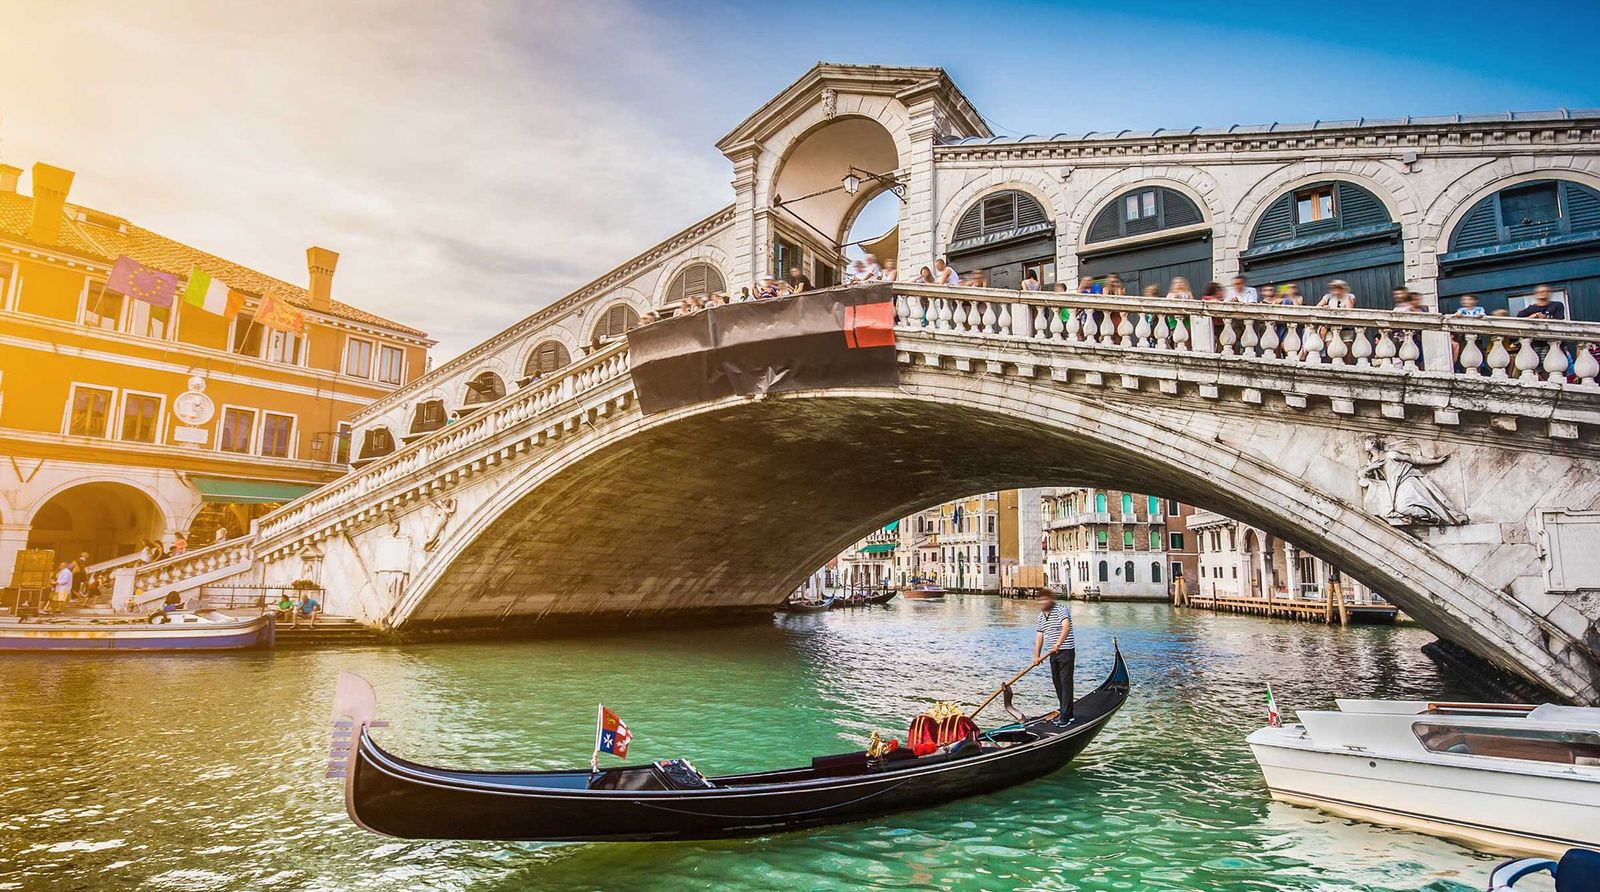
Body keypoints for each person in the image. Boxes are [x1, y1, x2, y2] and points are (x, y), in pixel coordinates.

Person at [1032, 590, 1076, 727]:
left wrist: (1059, 643)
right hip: (1053, 653)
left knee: (1065, 682)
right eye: (1041, 600)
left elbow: (1066, 627)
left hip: (1066, 651)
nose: (1043, 602)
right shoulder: (1040, 617)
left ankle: (1065, 716)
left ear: (1050, 600)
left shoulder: (1061, 610)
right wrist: (1036, 655)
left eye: (1045, 599)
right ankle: (1067, 712)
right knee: (1057, 682)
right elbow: (1040, 636)